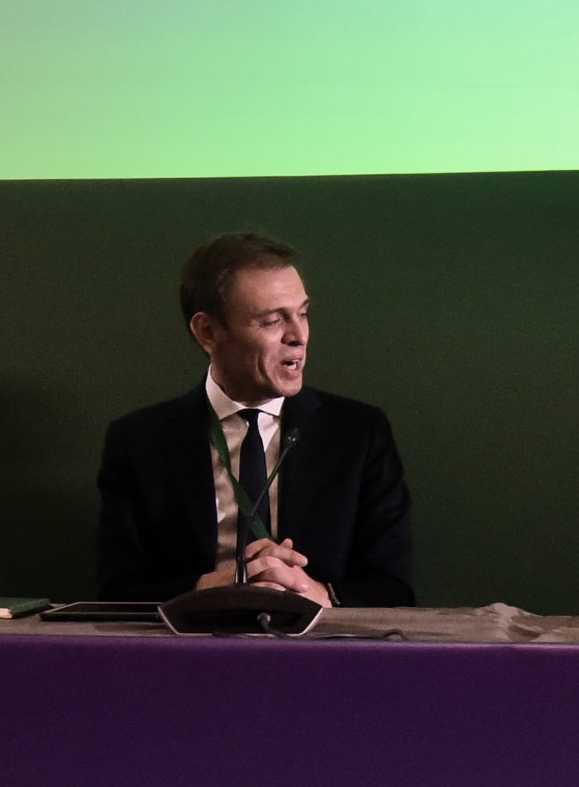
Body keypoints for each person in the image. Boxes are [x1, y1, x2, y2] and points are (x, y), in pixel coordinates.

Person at [97, 232, 414, 605]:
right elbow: (118, 594)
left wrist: (321, 594)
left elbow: (394, 590)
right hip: (195, 639)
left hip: (322, 640)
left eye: (303, 314)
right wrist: (213, 587)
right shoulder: (139, 442)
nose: (298, 336)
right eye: (272, 321)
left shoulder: (358, 433)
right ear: (208, 332)